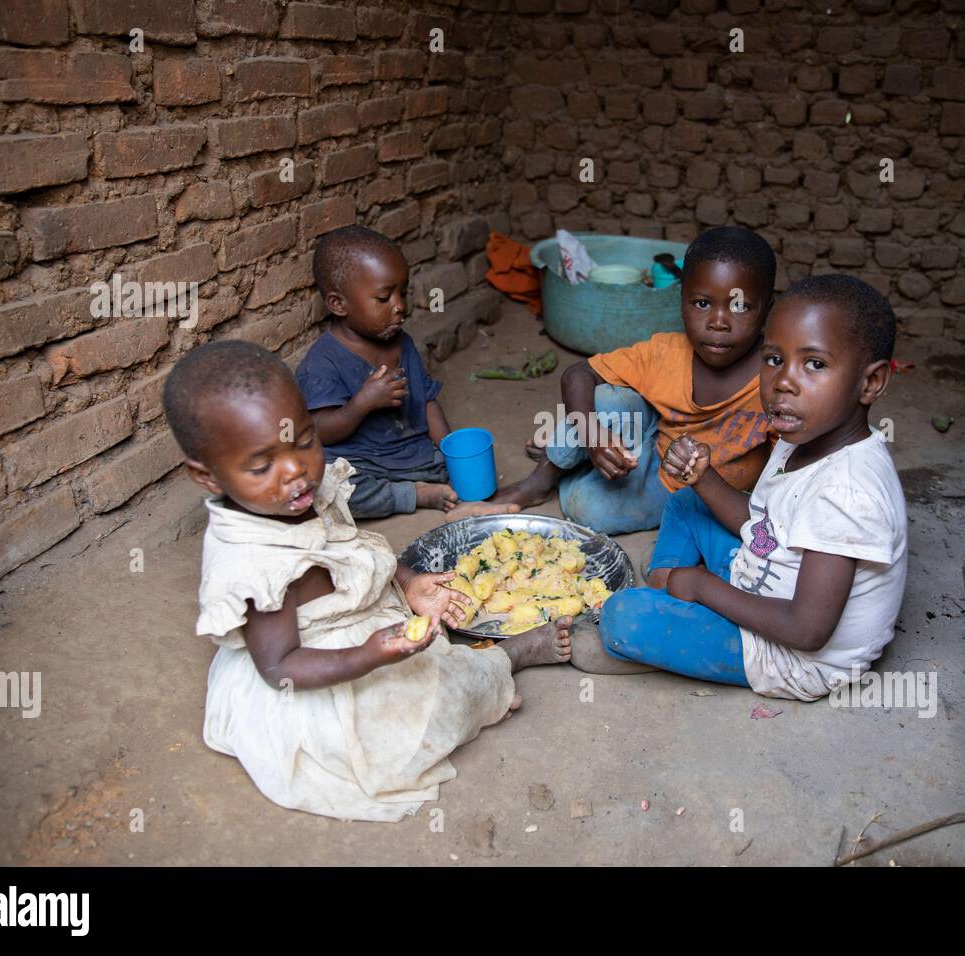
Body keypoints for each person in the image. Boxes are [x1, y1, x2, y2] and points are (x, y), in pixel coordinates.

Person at [163, 339, 571, 821]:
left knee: (428, 662)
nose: (296, 470)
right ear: (207, 477)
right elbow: (281, 668)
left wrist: (408, 580)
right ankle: (507, 659)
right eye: (262, 464)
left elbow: (346, 543)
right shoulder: (253, 566)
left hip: (354, 626)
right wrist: (368, 656)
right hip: (315, 678)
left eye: (305, 440)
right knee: (427, 704)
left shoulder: (288, 494)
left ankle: (476, 676)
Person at [594, 275, 908, 701]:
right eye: (774, 359)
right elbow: (764, 526)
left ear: (870, 383)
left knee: (621, 617)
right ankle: (671, 590)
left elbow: (807, 630)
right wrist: (703, 478)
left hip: (791, 654)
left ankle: (672, 610)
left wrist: (705, 586)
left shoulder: (847, 491)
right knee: (687, 501)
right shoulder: (804, 434)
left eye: (814, 364)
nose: (783, 382)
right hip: (763, 578)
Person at [502, 226, 778, 534]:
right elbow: (577, 374)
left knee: (589, 510)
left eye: (740, 306)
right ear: (681, 300)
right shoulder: (666, 352)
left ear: (767, 310)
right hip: (648, 440)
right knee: (605, 399)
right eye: (702, 303)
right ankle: (542, 479)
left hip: (681, 488)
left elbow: (790, 470)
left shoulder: (779, 381)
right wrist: (593, 437)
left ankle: (567, 457)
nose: (718, 322)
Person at [295, 225, 516, 520]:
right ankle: (415, 495)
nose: (400, 306)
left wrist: (450, 452)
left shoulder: (403, 343)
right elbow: (320, 430)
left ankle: (454, 494)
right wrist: (363, 403)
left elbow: (426, 402)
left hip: (416, 457)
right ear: (338, 304)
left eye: (403, 292)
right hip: (363, 463)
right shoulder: (323, 361)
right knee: (328, 487)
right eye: (384, 298)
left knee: (470, 468)